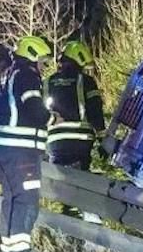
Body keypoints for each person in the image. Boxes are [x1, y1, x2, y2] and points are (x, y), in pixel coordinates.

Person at [0, 33, 51, 252]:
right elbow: (35, 109)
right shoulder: (27, 76)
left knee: (11, 199)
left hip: (4, 152)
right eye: (42, 60)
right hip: (23, 151)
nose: (43, 66)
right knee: (27, 200)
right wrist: (51, 117)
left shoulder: (2, 79)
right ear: (32, 56)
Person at [44, 39, 105, 170]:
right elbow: (95, 109)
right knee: (79, 180)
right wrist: (102, 138)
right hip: (80, 141)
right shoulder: (86, 81)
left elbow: (38, 110)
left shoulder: (47, 82)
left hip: (55, 141)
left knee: (57, 177)